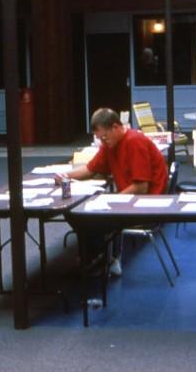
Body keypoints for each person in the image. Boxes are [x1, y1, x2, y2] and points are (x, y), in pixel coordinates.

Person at [59, 107, 167, 275]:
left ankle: (98, 259)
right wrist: (64, 176)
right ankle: (95, 256)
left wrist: (110, 200)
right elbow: (90, 169)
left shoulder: (133, 142)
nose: (103, 141)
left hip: (146, 203)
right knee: (76, 213)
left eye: (104, 136)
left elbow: (141, 187)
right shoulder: (110, 144)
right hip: (131, 198)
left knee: (92, 217)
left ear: (116, 127)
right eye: (99, 138)